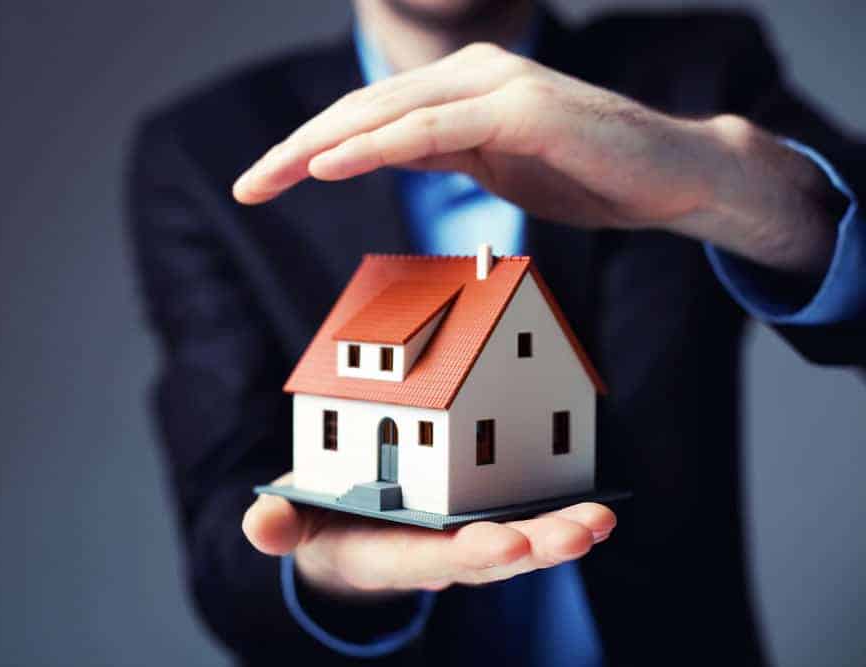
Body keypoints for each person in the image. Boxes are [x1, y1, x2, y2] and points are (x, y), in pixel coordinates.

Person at [125, 1, 865, 664]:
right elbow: (226, 533)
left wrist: (727, 181)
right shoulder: (200, 150)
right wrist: (326, 567)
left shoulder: (696, 75)